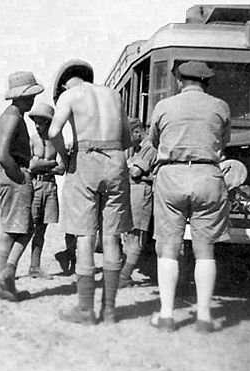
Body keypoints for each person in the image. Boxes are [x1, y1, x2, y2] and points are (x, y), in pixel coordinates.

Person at [48, 59, 133, 325]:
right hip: (116, 159)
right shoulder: (113, 94)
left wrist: (64, 155)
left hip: (85, 159)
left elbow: (53, 132)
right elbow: (128, 138)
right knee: (111, 237)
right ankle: (109, 311)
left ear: (63, 83)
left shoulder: (70, 96)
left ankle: (86, 310)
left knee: (85, 236)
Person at [148, 61, 230, 333]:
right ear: (206, 81)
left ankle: (167, 315)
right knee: (205, 249)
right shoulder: (220, 106)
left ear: (180, 80)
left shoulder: (164, 106)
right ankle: (205, 318)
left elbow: (154, 140)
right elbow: (223, 140)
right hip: (208, 175)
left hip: (172, 175)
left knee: (168, 248)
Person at [0, 71, 44, 301]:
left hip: (3, 175)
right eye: (30, 95)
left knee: (11, 230)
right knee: (25, 228)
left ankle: (4, 283)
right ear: (21, 96)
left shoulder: (9, 115)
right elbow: (3, 154)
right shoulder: (13, 117)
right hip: (13, 175)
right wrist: (20, 176)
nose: (32, 100)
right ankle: (7, 275)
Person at [27, 103, 64, 279]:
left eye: (41, 122)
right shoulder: (32, 140)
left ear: (49, 122)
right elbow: (31, 166)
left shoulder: (56, 142)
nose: (37, 125)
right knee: (28, 228)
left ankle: (35, 266)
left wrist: (42, 165)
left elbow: (62, 168)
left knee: (42, 229)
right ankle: (11, 267)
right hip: (34, 186)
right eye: (35, 121)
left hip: (49, 186)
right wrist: (51, 164)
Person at [119, 118, 157, 288]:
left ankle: (124, 276)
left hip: (141, 194)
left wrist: (128, 165)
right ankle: (123, 275)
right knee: (129, 235)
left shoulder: (150, 148)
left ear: (137, 132)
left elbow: (135, 171)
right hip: (134, 192)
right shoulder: (139, 149)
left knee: (136, 236)